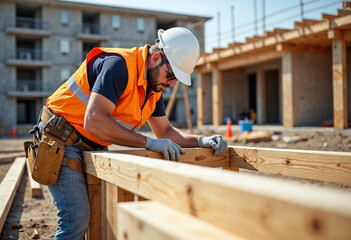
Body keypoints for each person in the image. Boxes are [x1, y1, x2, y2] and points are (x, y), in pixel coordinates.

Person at [32, 27, 228, 239]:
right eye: (171, 74)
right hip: (62, 136)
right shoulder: (119, 67)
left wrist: (202, 140)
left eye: (176, 79)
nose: (171, 83)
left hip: (91, 143)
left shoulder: (153, 90)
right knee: (75, 217)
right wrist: (148, 143)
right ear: (155, 58)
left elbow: (165, 131)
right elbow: (94, 120)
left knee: (102, 211)